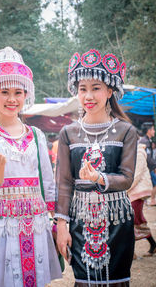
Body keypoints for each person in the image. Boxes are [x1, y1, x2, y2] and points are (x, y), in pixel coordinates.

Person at [0, 46, 62, 287]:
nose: (11, 99)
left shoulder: (37, 135)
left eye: (18, 92)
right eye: (4, 91)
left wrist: (56, 220)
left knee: (33, 280)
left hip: (35, 220)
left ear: (26, 95)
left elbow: (47, 180)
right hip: (1, 220)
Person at [55, 49, 138, 286]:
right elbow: (63, 183)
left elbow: (127, 178)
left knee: (117, 281)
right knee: (84, 281)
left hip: (116, 221)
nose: (88, 95)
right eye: (83, 88)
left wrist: (99, 178)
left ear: (110, 91)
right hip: (79, 220)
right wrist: (62, 226)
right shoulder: (67, 133)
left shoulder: (126, 131)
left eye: (96, 88)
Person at [127, 143, 156, 257]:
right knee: (136, 220)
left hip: (137, 192)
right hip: (134, 192)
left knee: (134, 220)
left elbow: (136, 175)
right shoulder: (133, 152)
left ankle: (131, 252)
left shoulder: (138, 153)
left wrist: (125, 188)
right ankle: (152, 245)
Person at [139, 122, 156, 206]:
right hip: (146, 168)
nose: (154, 131)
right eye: (153, 129)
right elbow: (147, 158)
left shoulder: (147, 140)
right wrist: (155, 165)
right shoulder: (145, 141)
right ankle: (151, 200)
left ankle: (149, 200)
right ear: (148, 130)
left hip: (148, 167)